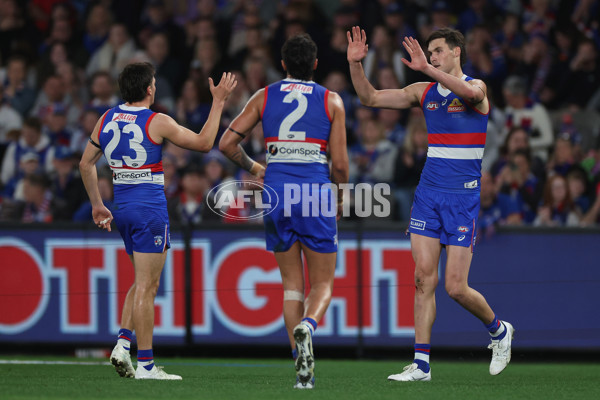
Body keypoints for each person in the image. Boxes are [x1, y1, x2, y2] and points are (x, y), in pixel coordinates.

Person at [347, 26, 514, 381]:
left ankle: (499, 331)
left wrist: (428, 68)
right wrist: (355, 65)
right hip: (428, 195)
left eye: (437, 50)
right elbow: (370, 98)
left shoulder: (478, 88)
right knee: (423, 279)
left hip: (463, 197)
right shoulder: (423, 93)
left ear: (456, 52)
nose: (432, 55)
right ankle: (421, 364)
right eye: (430, 52)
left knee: (455, 287)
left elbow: (469, 92)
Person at [79, 62, 236, 380]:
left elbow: (85, 164)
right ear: (150, 88)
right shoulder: (156, 121)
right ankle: (147, 365)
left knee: (140, 281)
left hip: (122, 207)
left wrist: (97, 204)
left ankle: (123, 345)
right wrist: (218, 102)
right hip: (149, 209)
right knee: (148, 287)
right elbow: (204, 143)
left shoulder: (106, 118)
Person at [219, 33, 348, 389]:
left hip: (276, 194)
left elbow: (227, 143)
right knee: (321, 283)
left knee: (292, 285)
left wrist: (256, 168)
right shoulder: (332, 101)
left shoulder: (264, 96)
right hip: (314, 191)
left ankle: (300, 368)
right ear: (316, 65)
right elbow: (340, 167)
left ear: (283, 64)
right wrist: (338, 197)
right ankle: (308, 326)